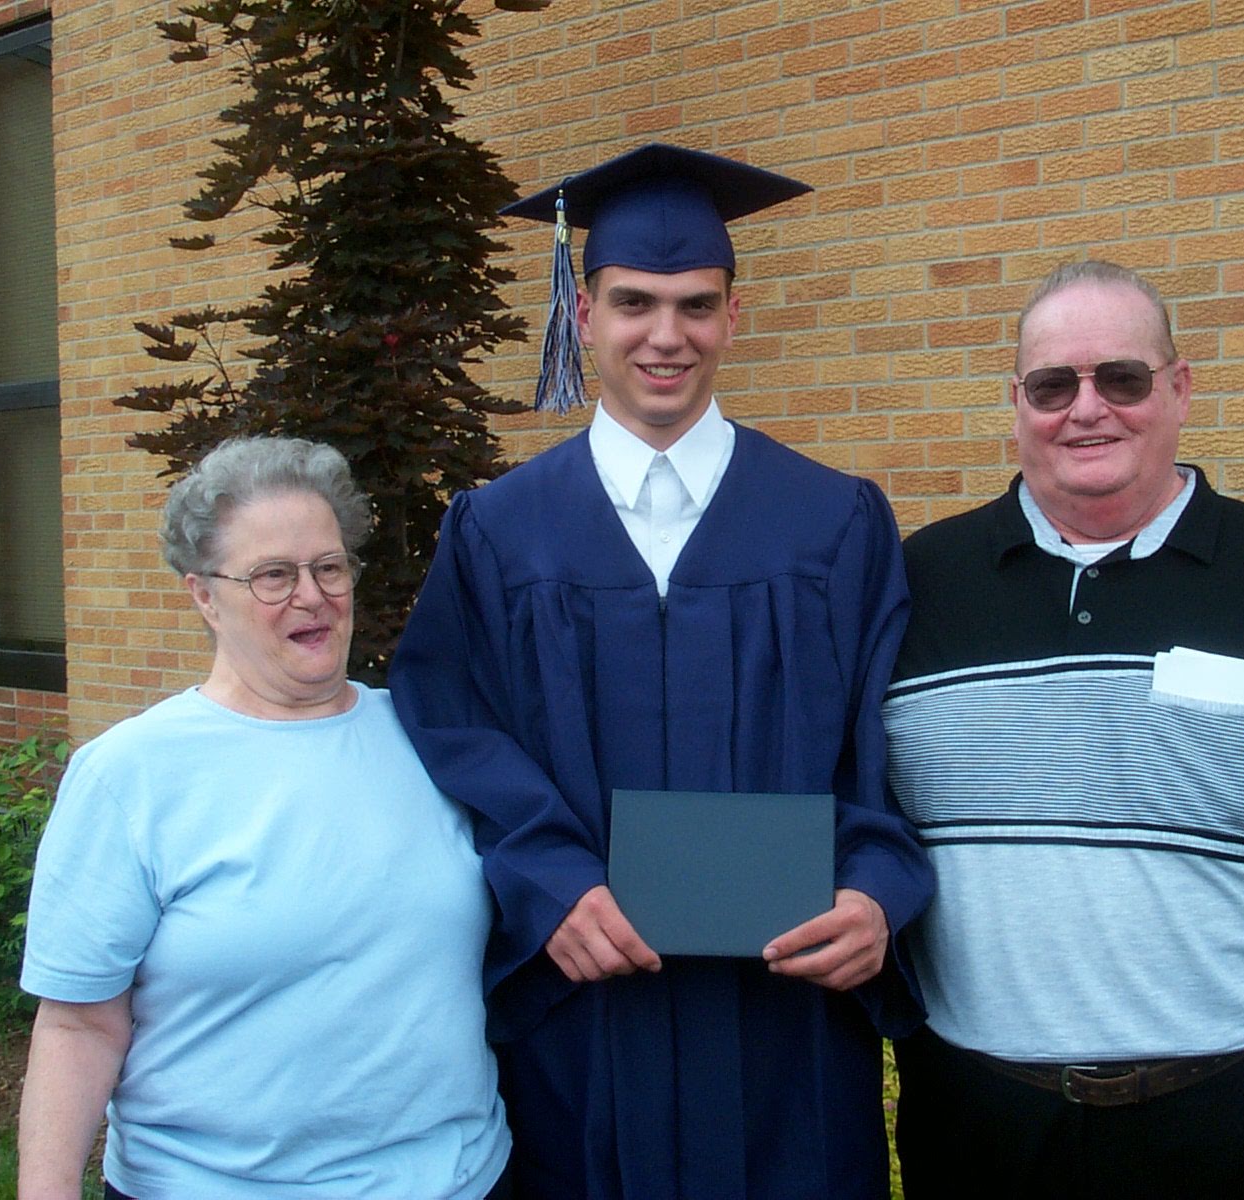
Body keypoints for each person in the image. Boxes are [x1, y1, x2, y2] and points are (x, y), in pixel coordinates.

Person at [389, 143, 934, 1199]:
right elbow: (453, 723)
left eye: (695, 305)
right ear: (582, 313)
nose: (665, 336)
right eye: (634, 302)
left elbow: (885, 747)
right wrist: (549, 883)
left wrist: (874, 892)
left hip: (784, 1017)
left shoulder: (833, 524)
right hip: (583, 1008)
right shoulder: (501, 532)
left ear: (735, 315)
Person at [883, 260, 1244, 1198]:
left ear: (1179, 388)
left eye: (1122, 378)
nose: (1087, 409)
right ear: (1016, 402)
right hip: (987, 1128)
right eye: (1052, 385)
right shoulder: (916, 590)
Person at [17, 436, 510, 1200]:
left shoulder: (434, 741)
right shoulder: (131, 776)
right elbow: (80, 1025)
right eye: (274, 575)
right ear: (204, 596)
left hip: (456, 1180)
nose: (311, 596)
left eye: (330, 567)